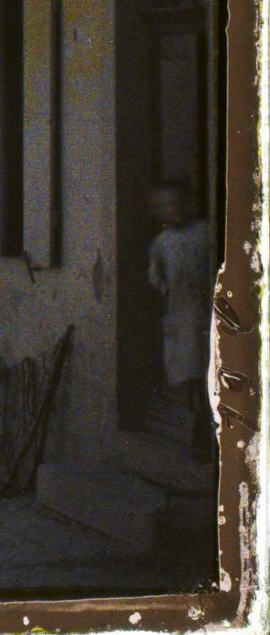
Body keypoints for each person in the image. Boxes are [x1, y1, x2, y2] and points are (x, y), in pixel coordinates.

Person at [147, 179, 214, 455]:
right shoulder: (162, 242)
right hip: (181, 315)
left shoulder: (205, 233)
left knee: (212, 373)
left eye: (174, 203)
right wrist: (165, 289)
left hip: (207, 312)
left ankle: (214, 437)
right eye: (163, 206)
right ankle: (195, 435)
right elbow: (156, 276)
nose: (170, 209)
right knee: (190, 376)